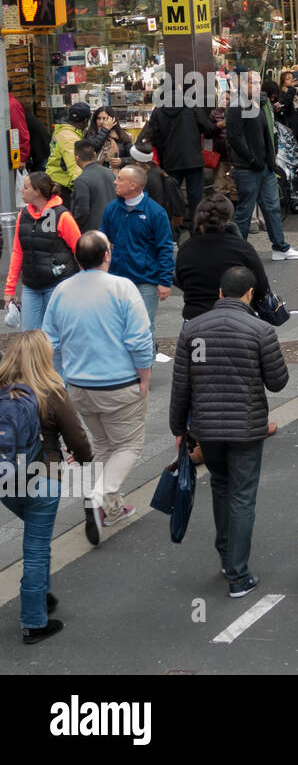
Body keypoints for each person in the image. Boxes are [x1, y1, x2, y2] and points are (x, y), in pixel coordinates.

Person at [169, 265, 289, 599]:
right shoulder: (260, 331)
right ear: (250, 294)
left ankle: (225, 556)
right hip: (246, 428)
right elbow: (278, 383)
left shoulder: (192, 330)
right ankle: (238, 574)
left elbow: (181, 385)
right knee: (242, 495)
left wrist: (179, 428)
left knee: (220, 486)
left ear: (220, 293)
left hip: (207, 428)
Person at [42, 231, 153, 543]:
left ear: (77, 259)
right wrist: (144, 375)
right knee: (129, 446)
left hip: (79, 386)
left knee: (103, 445)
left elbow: (49, 340)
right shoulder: (122, 288)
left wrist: (60, 377)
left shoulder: (62, 291)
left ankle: (112, 509)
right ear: (107, 255)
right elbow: (139, 340)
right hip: (119, 383)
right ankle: (98, 496)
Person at [0, 330, 94, 643]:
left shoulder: (2, 389)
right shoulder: (52, 391)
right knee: (36, 549)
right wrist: (83, 460)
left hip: (6, 480)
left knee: (36, 540)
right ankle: (34, 622)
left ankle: (41, 595)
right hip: (42, 477)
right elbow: (78, 438)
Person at [225, 70, 298, 260]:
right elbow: (234, 137)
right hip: (247, 167)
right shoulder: (237, 105)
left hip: (266, 166)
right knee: (245, 211)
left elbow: (268, 132)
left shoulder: (260, 103)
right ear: (243, 84)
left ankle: (280, 247)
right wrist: (252, 160)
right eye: (253, 82)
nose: (257, 86)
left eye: (259, 82)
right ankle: (238, 252)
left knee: (272, 207)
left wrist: (271, 157)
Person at [99, 165, 174, 343]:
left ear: (133, 185)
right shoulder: (112, 209)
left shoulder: (156, 213)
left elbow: (165, 247)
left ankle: (145, 367)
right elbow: (103, 240)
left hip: (146, 281)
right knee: (116, 325)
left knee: (144, 326)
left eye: (120, 179)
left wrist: (164, 281)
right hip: (117, 279)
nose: (115, 182)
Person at [5, 172, 82, 332]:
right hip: (31, 285)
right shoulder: (23, 215)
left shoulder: (63, 216)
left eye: (25, 187)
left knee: (56, 336)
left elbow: (80, 250)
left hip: (58, 285)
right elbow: (18, 252)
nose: (21, 190)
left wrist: (84, 283)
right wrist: (10, 288)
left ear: (37, 191)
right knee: (29, 335)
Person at [175, 193, 269, 321]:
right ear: (229, 219)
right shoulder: (242, 248)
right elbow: (262, 287)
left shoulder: (185, 249)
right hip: (236, 318)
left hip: (195, 318)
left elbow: (181, 281)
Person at [142, 98, 210, 225]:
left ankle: (174, 232)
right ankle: (196, 230)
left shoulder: (159, 110)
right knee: (195, 197)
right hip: (193, 159)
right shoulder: (191, 104)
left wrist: (161, 160)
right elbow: (207, 127)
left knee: (172, 197)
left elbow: (155, 137)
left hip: (170, 159)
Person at [45, 103, 91, 197]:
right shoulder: (70, 138)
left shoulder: (62, 131)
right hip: (63, 185)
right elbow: (74, 166)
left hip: (56, 179)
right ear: (86, 120)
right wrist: (86, 188)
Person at [69, 141, 116, 232]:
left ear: (76, 158)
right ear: (94, 155)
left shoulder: (81, 180)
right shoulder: (109, 173)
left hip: (92, 231)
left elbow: (82, 211)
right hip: (112, 226)